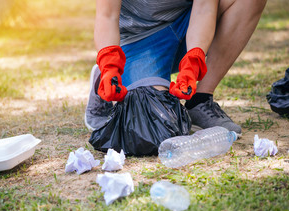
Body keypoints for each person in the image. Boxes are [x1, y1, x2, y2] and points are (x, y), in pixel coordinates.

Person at [85, 0, 267, 137]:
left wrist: (194, 58)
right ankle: (106, 74)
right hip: (139, 41)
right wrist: (110, 63)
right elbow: (106, 16)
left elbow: (204, 9)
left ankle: (200, 100)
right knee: (158, 126)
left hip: (187, 24)